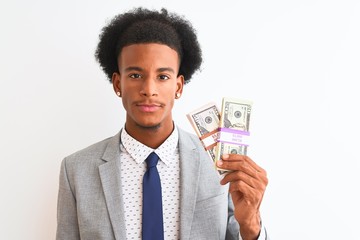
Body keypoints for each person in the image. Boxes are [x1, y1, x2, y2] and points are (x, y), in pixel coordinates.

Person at [56, 7, 269, 240]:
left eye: (163, 76)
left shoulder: (219, 159)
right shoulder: (75, 170)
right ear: (118, 83)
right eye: (136, 75)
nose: (149, 90)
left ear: (178, 86)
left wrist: (251, 226)